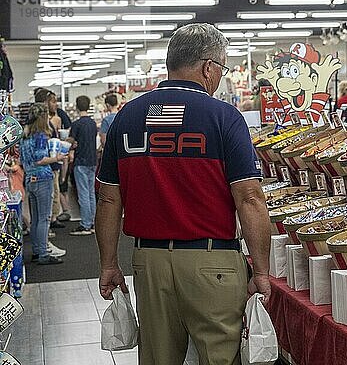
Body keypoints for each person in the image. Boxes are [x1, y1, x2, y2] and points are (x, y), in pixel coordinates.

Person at [95, 23, 271, 365]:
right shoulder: (224, 117)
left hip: (149, 263)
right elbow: (249, 198)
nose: (220, 76)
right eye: (222, 68)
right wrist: (261, 272)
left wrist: (108, 264)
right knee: (220, 357)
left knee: (158, 358)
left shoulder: (127, 116)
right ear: (208, 67)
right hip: (212, 262)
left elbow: (108, 199)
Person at [19, 103, 65, 265]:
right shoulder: (40, 135)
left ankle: (38, 251)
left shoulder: (24, 136)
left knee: (36, 219)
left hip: (29, 179)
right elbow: (40, 159)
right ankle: (43, 252)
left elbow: (24, 161)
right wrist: (57, 158)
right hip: (43, 178)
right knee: (44, 218)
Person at [68, 95, 97, 236]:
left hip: (81, 161)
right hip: (92, 161)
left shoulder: (76, 124)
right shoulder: (93, 124)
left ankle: (85, 224)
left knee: (83, 194)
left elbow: (70, 142)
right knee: (91, 194)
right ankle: (93, 222)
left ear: (77, 106)